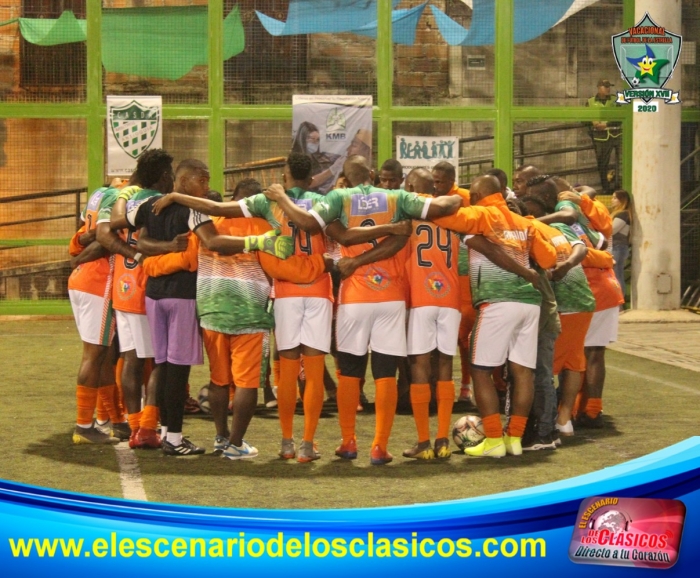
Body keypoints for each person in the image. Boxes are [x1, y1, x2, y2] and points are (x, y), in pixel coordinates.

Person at [265, 155, 462, 465]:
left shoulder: (338, 198)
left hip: (354, 295)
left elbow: (310, 225)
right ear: (372, 174)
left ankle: (348, 442)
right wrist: (457, 195)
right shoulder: (397, 197)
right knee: (385, 372)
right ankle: (379, 447)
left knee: (350, 371)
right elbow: (438, 211)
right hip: (391, 296)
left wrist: (281, 198)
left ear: (346, 177)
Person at [123, 155, 293, 456]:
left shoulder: (159, 208)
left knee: (199, 375)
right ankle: (223, 443)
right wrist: (260, 244)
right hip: (237, 308)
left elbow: (131, 235)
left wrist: (151, 263)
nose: (206, 185)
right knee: (238, 381)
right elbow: (206, 251)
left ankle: (196, 433)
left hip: (192, 304)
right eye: (202, 179)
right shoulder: (253, 222)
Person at [431, 175, 557, 458]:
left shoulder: (481, 214)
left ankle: (493, 440)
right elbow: (549, 259)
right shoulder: (525, 223)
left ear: (476, 197)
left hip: (498, 302)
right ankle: (514, 439)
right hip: (530, 303)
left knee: (480, 370)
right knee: (523, 372)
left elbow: (442, 217)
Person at [68, 179, 132, 444]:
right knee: (94, 356)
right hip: (99, 281)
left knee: (103, 355)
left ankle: (118, 421)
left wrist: (79, 255)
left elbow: (83, 234)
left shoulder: (99, 194)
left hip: (83, 280)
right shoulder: (119, 198)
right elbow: (105, 239)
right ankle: (83, 426)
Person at [309, 129, 372, 194]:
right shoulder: (343, 160)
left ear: (366, 151)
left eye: (354, 145)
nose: (348, 149)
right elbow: (321, 179)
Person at [587, 79, 622, 194]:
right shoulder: (590, 102)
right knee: (602, 163)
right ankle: (605, 188)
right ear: (599, 87)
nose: (608, 89)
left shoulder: (616, 100)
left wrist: (607, 124)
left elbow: (621, 116)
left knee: (621, 162)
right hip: (600, 138)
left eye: (609, 86)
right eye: (605, 86)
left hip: (616, 135)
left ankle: (619, 185)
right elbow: (584, 118)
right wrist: (593, 125)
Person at [291, 121, 341, 192]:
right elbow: (307, 183)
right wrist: (332, 170)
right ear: (302, 139)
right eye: (311, 139)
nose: (315, 143)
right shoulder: (296, 159)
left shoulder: (313, 157)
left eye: (317, 140)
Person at [610, 189, 632, 302]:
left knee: (617, 274)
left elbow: (612, 230)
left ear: (622, 200)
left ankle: (619, 301)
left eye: (615, 198)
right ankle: (619, 301)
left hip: (618, 247)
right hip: (618, 247)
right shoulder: (621, 214)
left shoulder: (623, 214)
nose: (612, 200)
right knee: (617, 273)